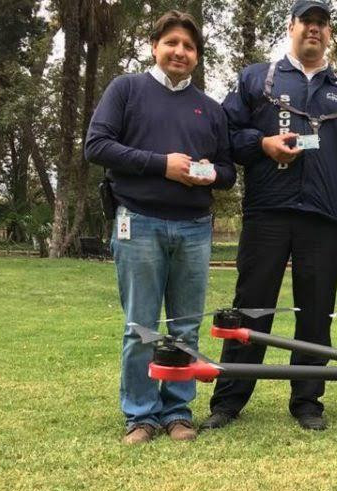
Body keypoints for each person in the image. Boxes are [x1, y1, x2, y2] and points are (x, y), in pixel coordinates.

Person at [203, 0, 337, 432]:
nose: (314, 29)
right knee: (252, 307)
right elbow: (227, 134)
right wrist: (262, 144)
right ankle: (229, 400)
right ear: (291, 27)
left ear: (329, 32)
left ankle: (308, 401)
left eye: (321, 23)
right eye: (306, 22)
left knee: (316, 312)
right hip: (268, 211)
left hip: (324, 216)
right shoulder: (256, 79)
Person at [85, 10, 236, 445]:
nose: (180, 51)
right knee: (141, 326)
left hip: (194, 228)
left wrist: (209, 173)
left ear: (196, 56)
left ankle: (177, 411)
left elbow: (228, 171)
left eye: (189, 46)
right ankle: (140, 414)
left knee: (186, 327)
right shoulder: (127, 89)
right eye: (172, 42)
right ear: (155, 46)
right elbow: (97, 145)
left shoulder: (209, 108)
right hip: (139, 222)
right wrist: (162, 165)